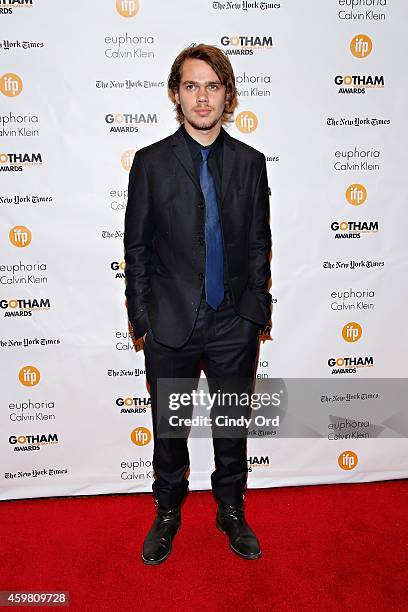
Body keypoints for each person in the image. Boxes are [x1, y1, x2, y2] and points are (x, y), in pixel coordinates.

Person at [124, 43, 272, 564]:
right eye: (191, 86)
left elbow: (259, 242)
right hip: (169, 323)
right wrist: (141, 319)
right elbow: (136, 248)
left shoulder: (251, 164)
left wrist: (256, 312)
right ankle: (167, 512)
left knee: (232, 427)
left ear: (227, 95)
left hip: (234, 322)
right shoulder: (150, 163)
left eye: (212, 86)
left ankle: (231, 510)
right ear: (175, 93)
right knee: (170, 428)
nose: (202, 97)